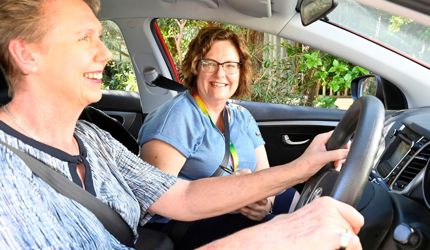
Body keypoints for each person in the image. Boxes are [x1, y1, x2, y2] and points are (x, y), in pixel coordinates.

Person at [0, 0, 363, 249]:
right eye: (84, 38)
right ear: (26, 54)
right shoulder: (7, 174)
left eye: (100, 36)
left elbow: (181, 196)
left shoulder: (90, 138)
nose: (106, 53)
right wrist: (274, 237)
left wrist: (300, 168)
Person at [138, 26, 300, 247]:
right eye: (210, 64)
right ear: (195, 67)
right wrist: (230, 197)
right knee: (286, 234)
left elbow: (264, 173)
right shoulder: (177, 117)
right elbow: (153, 198)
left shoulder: (241, 116)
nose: (220, 74)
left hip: (235, 209)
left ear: (241, 71)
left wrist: (266, 203)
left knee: (298, 201)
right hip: (185, 223)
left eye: (230, 65)